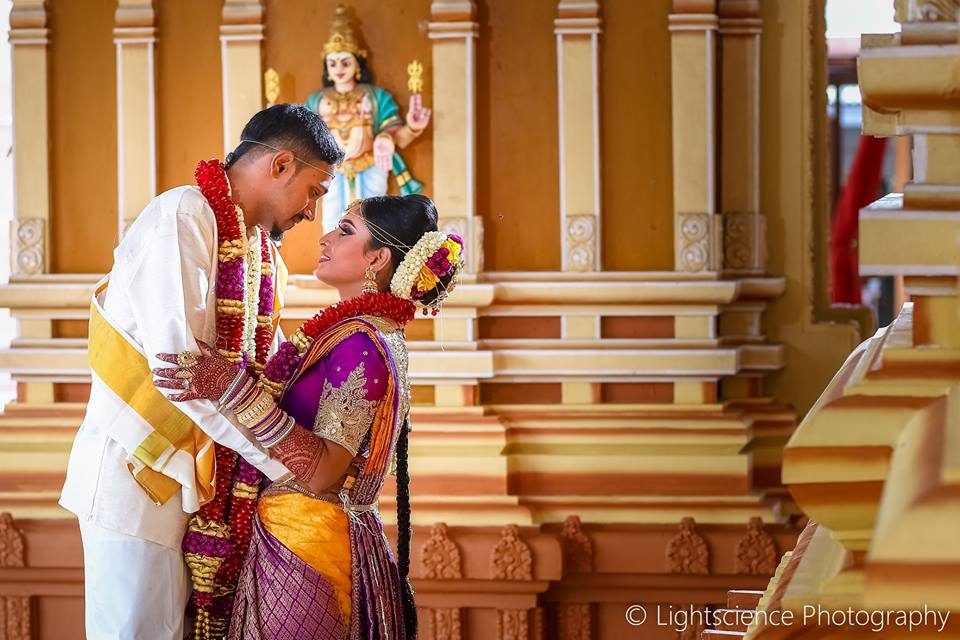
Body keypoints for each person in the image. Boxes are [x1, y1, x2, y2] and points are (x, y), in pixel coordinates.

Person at [59, 103, 344, 640]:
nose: (313, 212)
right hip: (140, 474)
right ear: (280, 165)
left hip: (201, 483)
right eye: (316, 189)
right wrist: (287, 461)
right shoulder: (185, 214)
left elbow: (263, 374)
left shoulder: (263, 254)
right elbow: (182, 371)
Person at [153, 194, 463, 639]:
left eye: (345, 230)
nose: (326, 237)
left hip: (310, 545)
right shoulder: (360, 333)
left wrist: (231, 389)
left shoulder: (362, 343)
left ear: (377, 258)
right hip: (304, 534)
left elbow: (321, 472)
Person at [305, 4, 432, 231]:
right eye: (332, 63)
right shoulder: (316, 101)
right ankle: (335, 261)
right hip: (330, 169)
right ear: (326, 66)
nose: (339, 68)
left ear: (357, 64)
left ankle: (370, 261)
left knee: (372, 220)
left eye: (346, 62)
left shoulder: (375, 97)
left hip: (371, 165)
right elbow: (304, 138)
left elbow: (397, 137)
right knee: (332, 218)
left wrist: (411, 128)